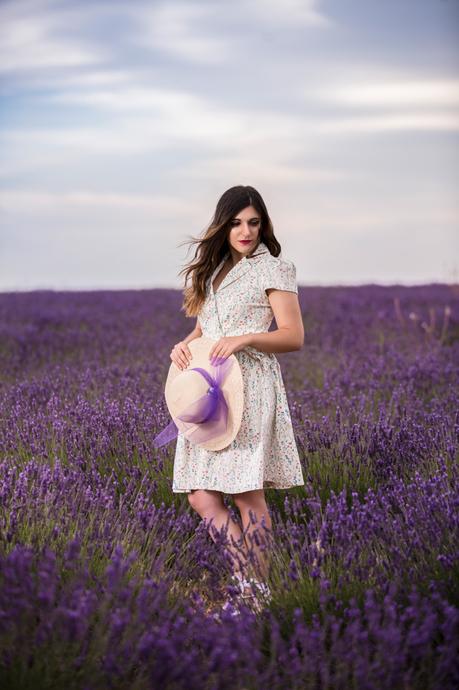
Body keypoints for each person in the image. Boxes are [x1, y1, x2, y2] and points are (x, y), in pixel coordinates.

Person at [170, 185, 305, 613]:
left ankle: (254, 596)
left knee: (247, 493)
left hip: (248, 385)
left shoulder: (274, 269)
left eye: (253, 222)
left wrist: (245, 338)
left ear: (263, 224)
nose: (245, 231)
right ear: (222, 226)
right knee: (200, 494)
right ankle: (247, 575)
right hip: (209, 383)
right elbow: (205, 325)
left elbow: (293, 336)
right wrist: (184, 344)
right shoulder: (215, 271)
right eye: (235, 223)